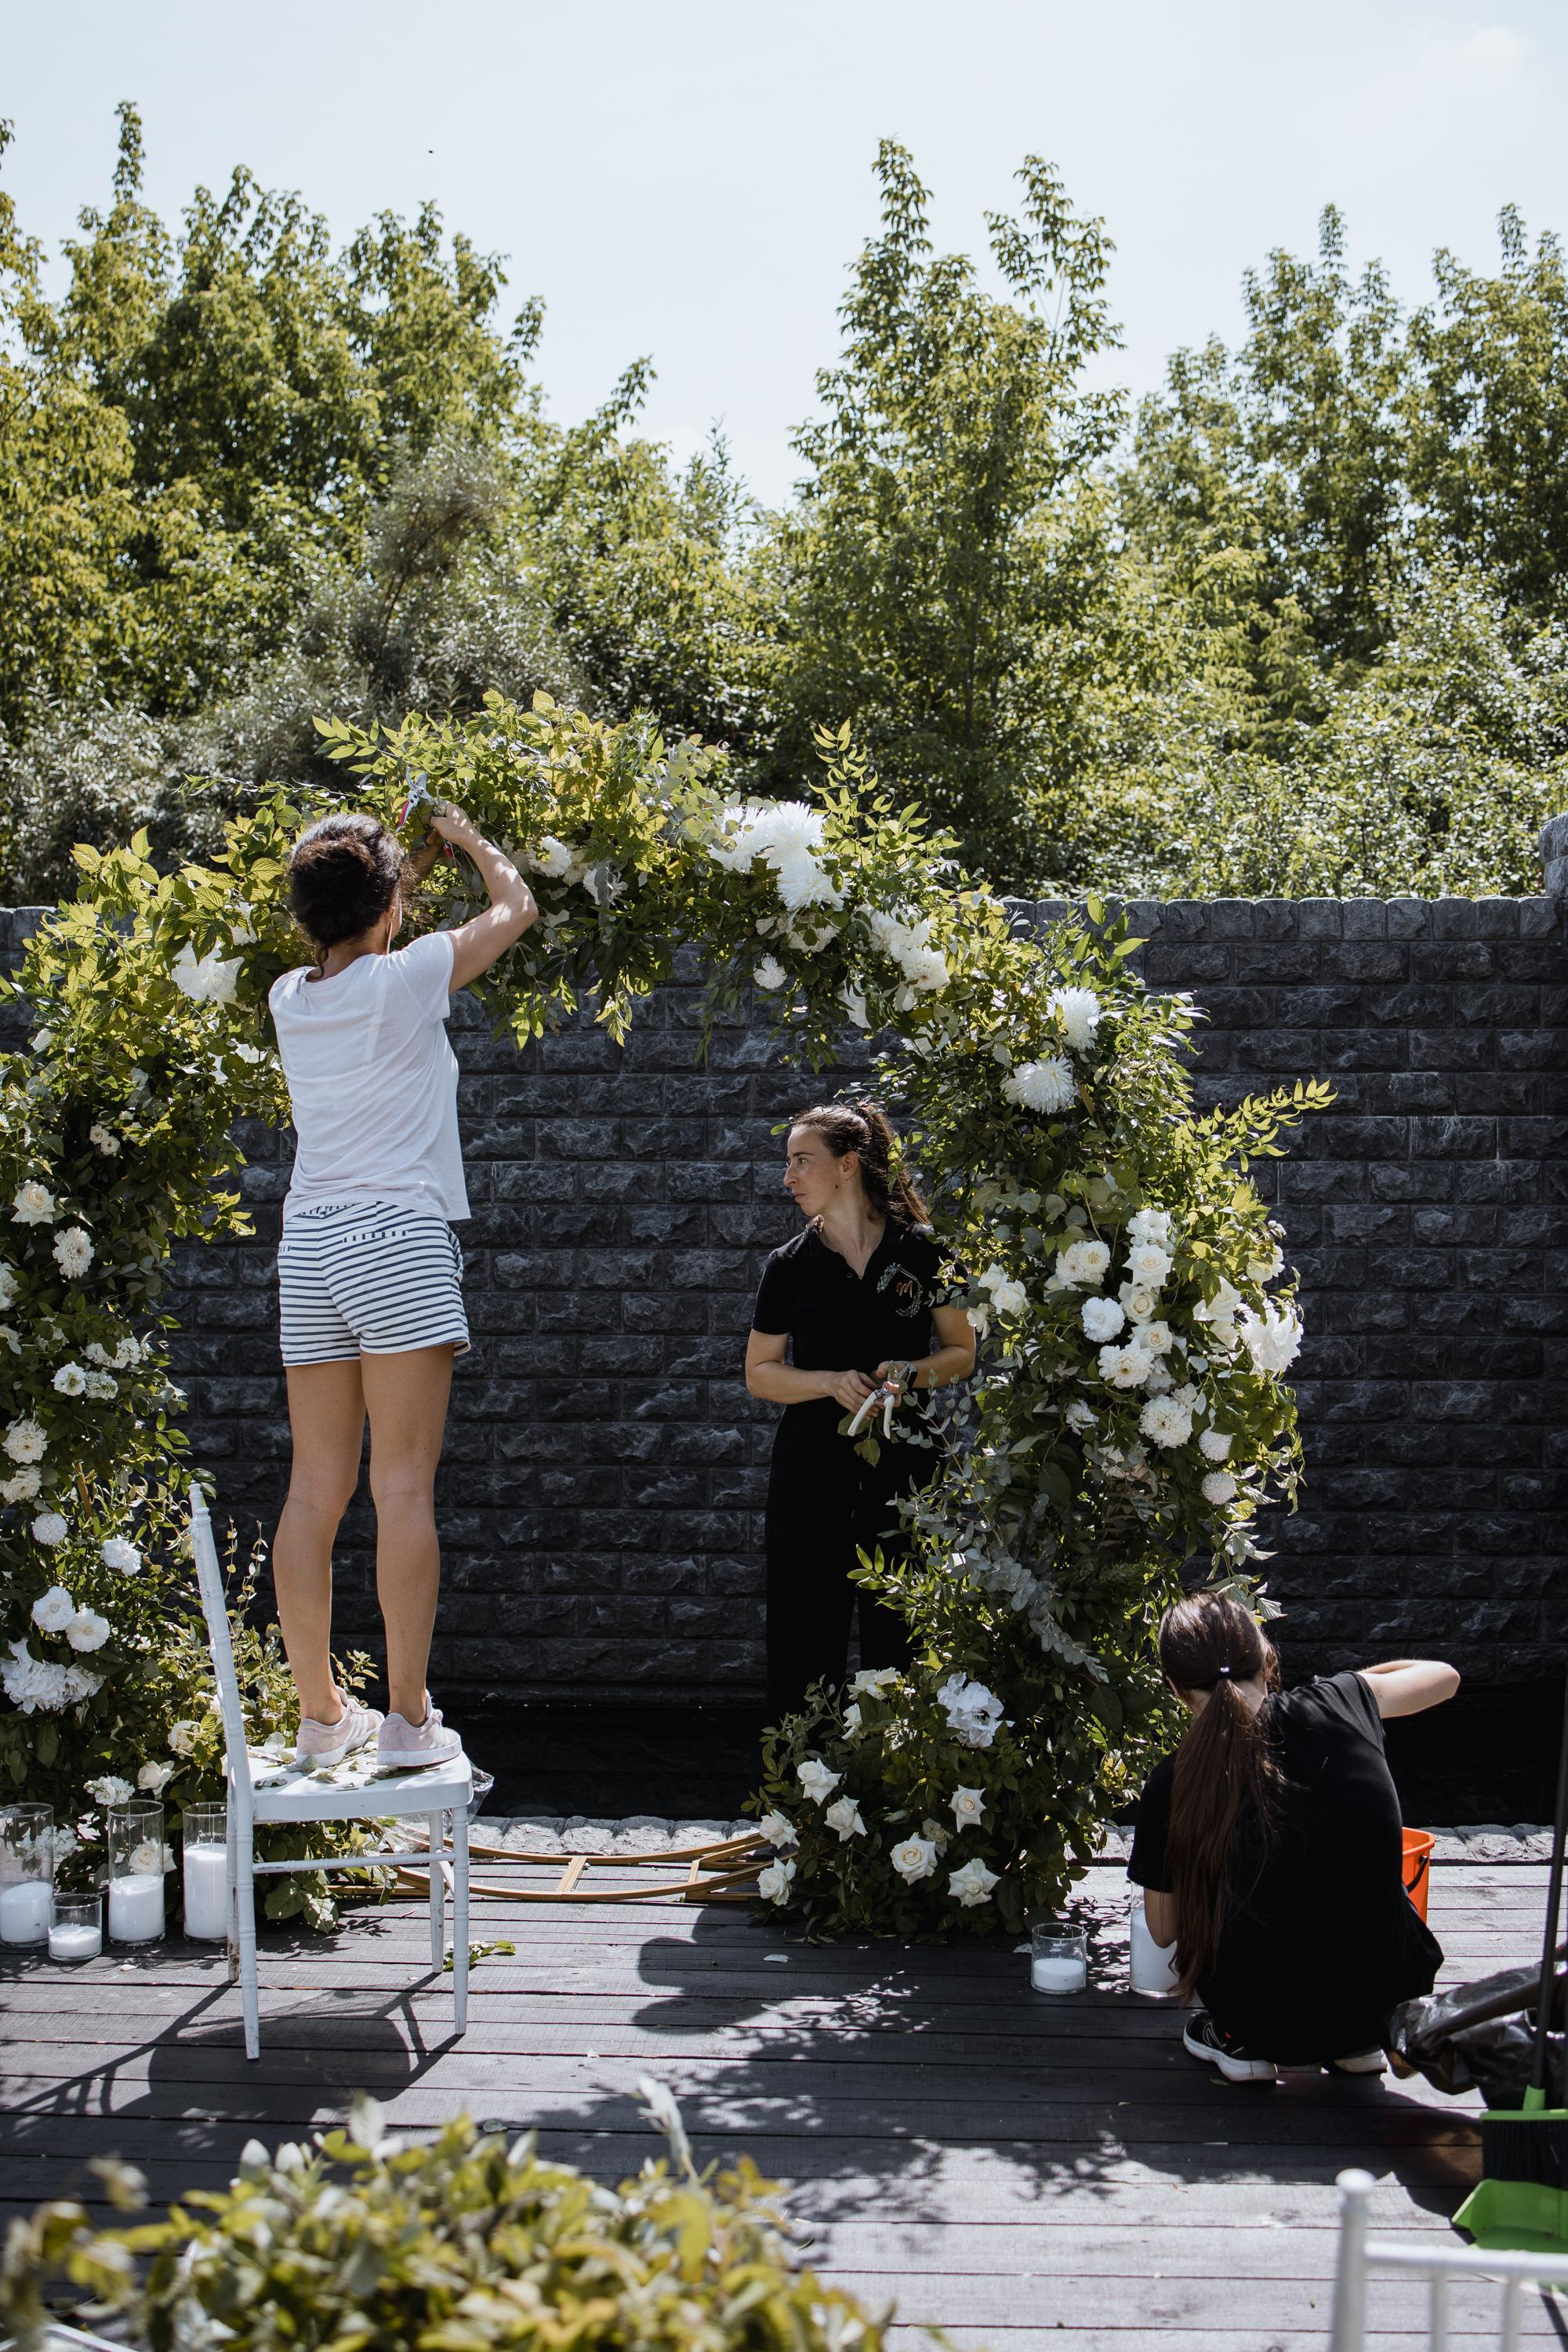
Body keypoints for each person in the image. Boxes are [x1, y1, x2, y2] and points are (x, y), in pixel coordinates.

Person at [267, 802, 536, 1768]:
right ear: (387, 908)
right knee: (402, 1488)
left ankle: (320, 1717)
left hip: (310, 1250)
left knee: (315, 1491)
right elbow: (515, 906)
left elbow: (364, 933)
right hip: (396, 1241)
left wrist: (383, 871)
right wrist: (463, 835)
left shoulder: (287, 997)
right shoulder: (409, 976)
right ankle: (410, 1723)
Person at [1128, 1592, 1457, 2084]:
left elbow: (1162, 1931)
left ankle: (1237, 2045)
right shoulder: (1340, 1703)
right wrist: (1360, 1685)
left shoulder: (1171, 1781)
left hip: (1261, 2022)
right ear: (1266, 1657)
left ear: (1174, 1688)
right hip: (1382, 2005)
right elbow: (1444, 1678)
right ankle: (1355, 2046)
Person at [744, 1100, 976, 1719]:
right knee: (803, 1628)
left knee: (902, 1627)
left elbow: (961, 1352)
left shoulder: (924, 1251)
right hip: (810, 1466)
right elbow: (759, 1374)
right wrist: (826, 1383)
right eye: (788, 1164)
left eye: (802, 1162)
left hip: (906, 1464)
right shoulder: (788, 1266)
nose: (788, 1178)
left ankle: (898, 1794)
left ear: (847, 1165)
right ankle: (801, 1804)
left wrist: (911, 1373)